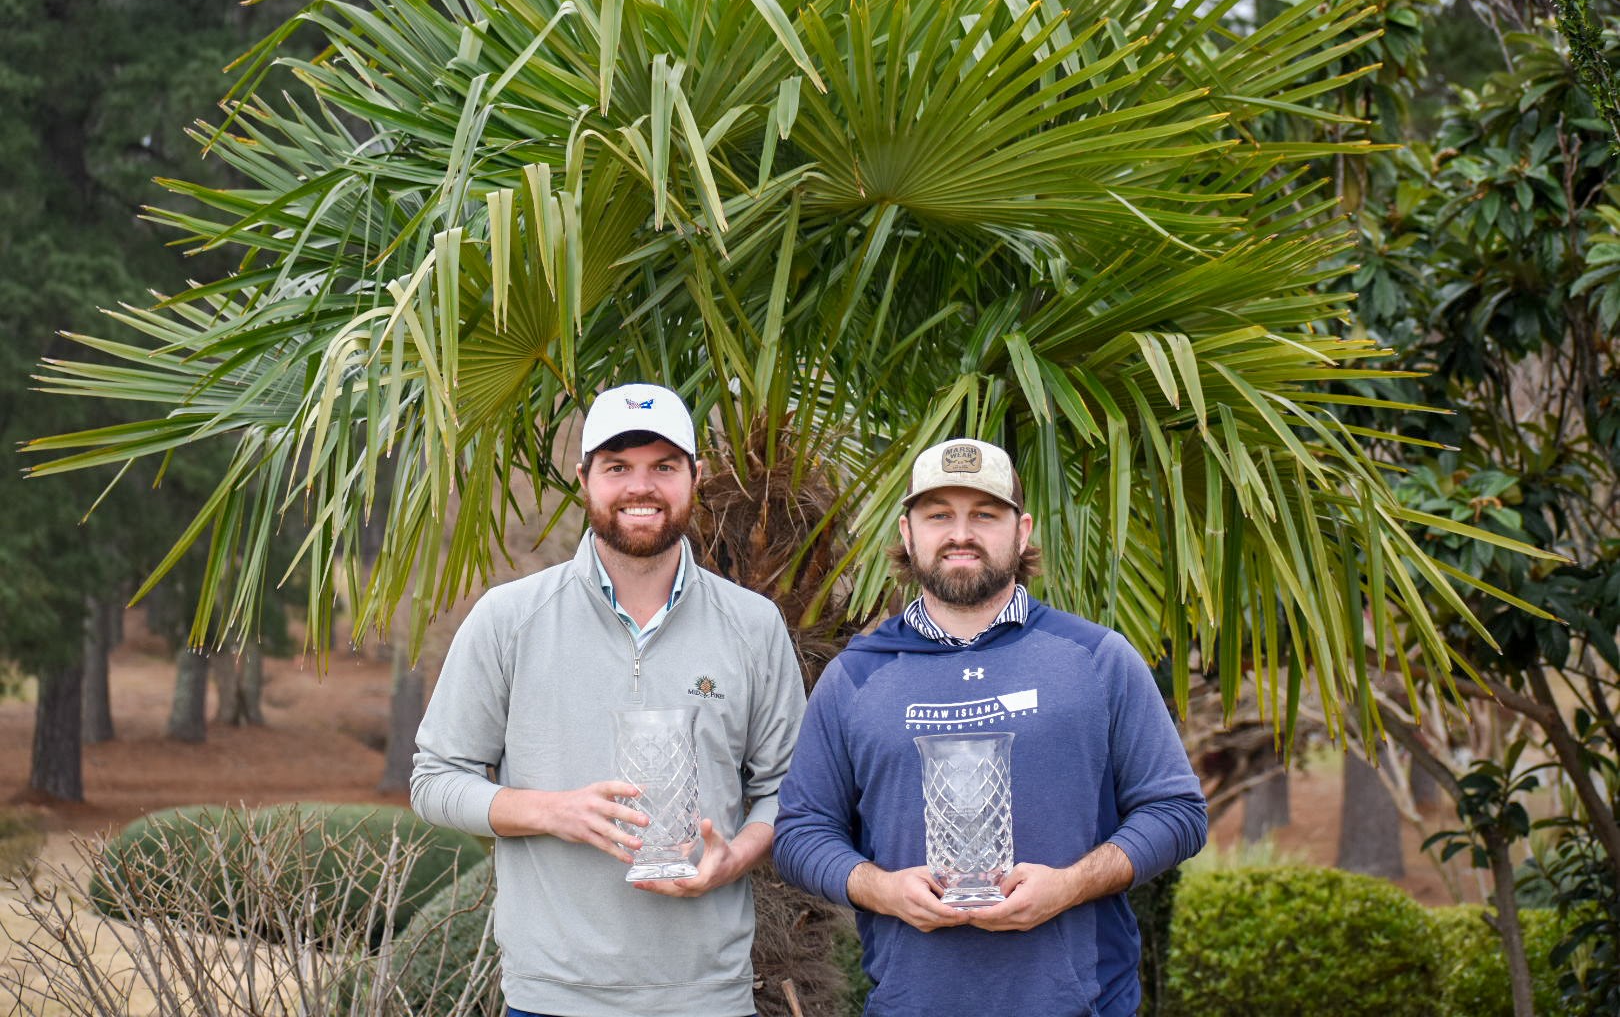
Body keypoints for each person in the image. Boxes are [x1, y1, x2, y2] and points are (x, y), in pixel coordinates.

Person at [773, 437, 1207, 1017]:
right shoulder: (855, 677)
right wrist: (881, 889)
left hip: (1082, 1004)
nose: (961, 533)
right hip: (912, 1006)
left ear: (1021, 531)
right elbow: (800, 832)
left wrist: (1070, 886)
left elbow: (1177, 812)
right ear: (907, 534)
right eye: (938, 516)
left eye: (984, 514)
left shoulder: (1097, 659)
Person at [411, 382, 807, 1017]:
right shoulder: (509, 618)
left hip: (708, 997)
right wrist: (551, 811)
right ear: (584, 478)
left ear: (695, 478)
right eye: (618, 467)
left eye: (663, 467)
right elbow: (434, 780)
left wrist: (735, 857)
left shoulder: (753, 625)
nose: (640, 488)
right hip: (553, 998)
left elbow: (790, 792)